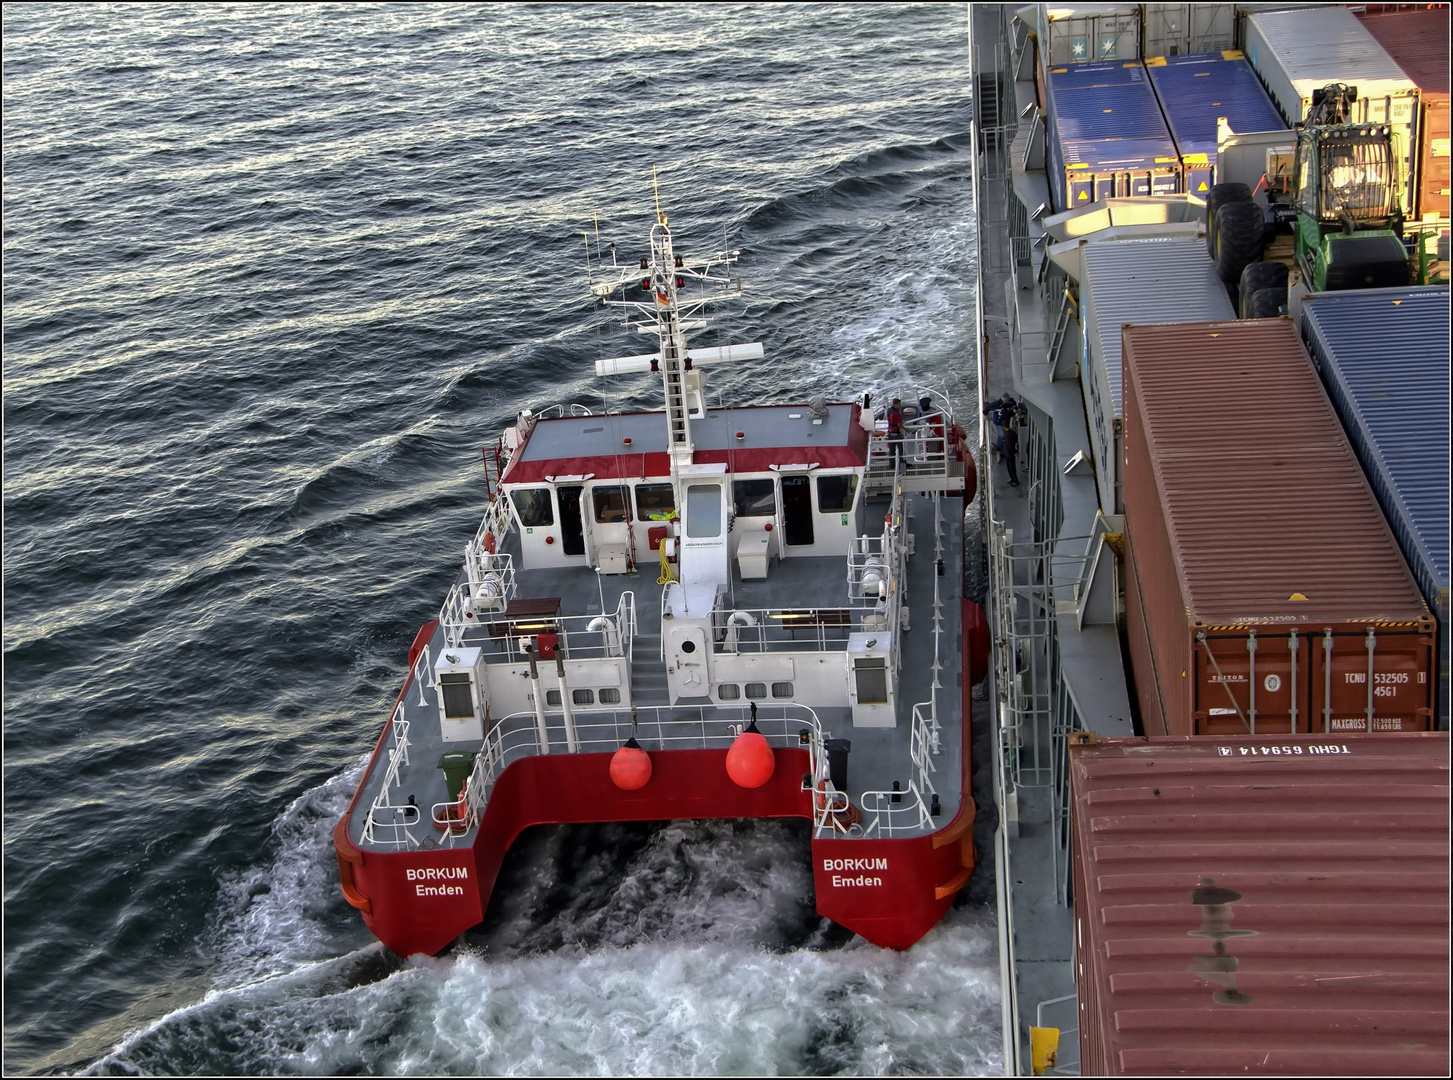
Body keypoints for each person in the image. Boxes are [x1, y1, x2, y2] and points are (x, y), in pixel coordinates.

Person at [983, 393, 1017, 457]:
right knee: (1002, 435)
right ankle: (997, 446)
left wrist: (1015, 409)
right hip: (998, 422)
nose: (1006, 401)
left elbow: (1014, 405)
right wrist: (985, 414)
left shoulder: (1011, 401)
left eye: (1007, 399)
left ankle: (1003, 445)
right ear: (1002, 398)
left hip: (1006, 421)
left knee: (1006, 435)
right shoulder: (997, 404)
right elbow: (988, 407)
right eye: (1005, 400)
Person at [1002, 416, 1020, 487]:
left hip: (1009, 454)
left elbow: (1009, 445)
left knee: (1011, 468)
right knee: (1012, 467)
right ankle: (1013, 479)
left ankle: (1015, 481)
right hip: (1012, 453)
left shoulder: (1008, 435)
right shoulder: (1013, 432)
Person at [886, 397, 904, 464]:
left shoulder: (889, 410)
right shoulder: (896, 413)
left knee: (892, 450)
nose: (900, 405)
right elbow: (899, 424)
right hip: (896, 433)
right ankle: (901, 463)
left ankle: (891, 464)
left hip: (890, 433)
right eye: (899, 404)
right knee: (900, 449)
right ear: (896, 404)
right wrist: (906, 429)